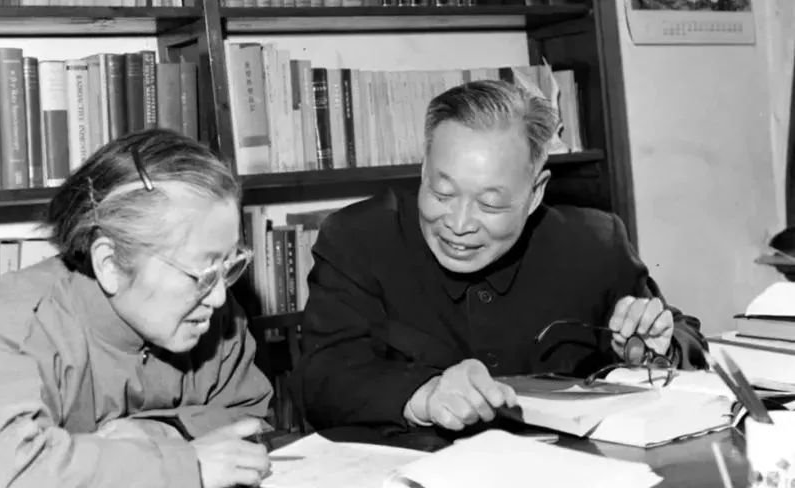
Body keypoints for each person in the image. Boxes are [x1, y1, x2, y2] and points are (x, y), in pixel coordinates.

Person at [296, 80, 707, 435]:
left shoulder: (593, 243)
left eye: (490, 204)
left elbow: (684, 336)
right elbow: (322, 380)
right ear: (424, 170)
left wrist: (653, 351)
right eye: (441, 193)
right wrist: (424, 394)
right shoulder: (359, 238)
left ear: (536, 192)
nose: (458, 224)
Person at [0, 129, 272, 488]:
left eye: (228, 265)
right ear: (109, 263)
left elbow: (254, 424)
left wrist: (159, 432)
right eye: (203, 272)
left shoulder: (212, 317)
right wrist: (186, 465)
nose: (219, 295)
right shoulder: (15, 322)